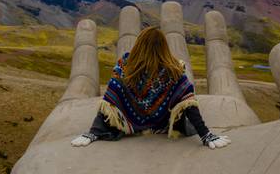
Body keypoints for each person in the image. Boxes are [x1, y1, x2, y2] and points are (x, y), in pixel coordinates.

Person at [70, 26, 231, 149]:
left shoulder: (125, 67)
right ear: (164, 47)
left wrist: (93, 132)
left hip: (130, 124)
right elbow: (188, 104)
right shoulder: (173, 71)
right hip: (162, 125)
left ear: (138, 44)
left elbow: (110, 101)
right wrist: (206, 135)